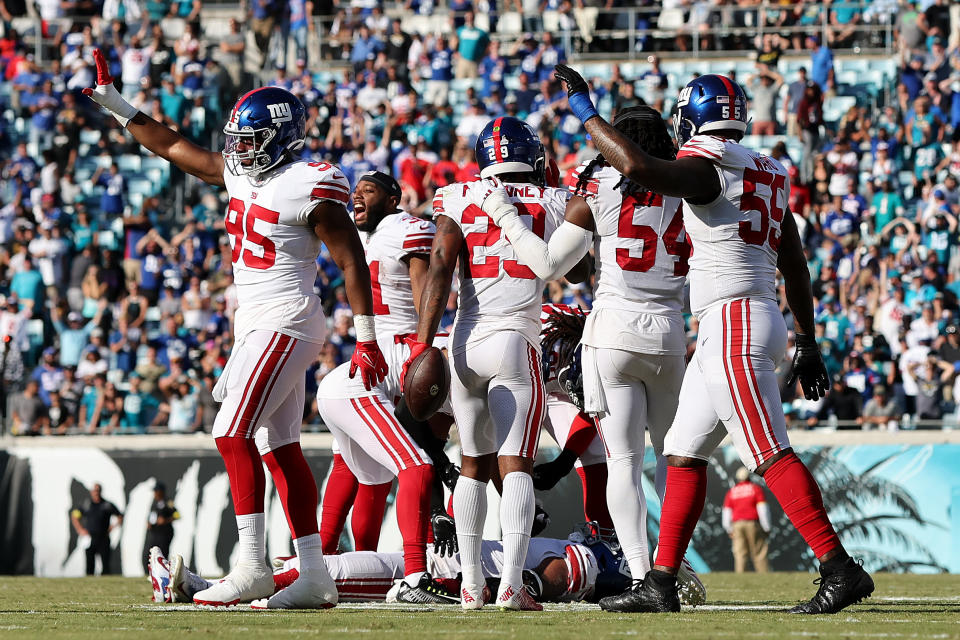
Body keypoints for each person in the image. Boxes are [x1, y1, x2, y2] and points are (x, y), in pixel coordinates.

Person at [555, 65, 873, 614]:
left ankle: (839, 567)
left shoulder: (706, 164)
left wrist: (585, 110)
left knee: (769, 452)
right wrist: (808, 338)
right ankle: (659, 581)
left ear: (691, 116)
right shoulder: (769, 169)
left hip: (733, 323)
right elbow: (794, 260)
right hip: (743, 320)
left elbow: (632, 164)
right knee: (680, 454)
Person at [84, 48, 388, 609]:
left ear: (279, 137)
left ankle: (250, 565)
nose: (238, 149)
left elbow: (349, 261)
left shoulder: (308, 183)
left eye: (249, 140)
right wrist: (115, 104)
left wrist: (367, 338)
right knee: (282, 448)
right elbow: (173, 145)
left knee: (230, 432)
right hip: (258, 324)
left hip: (287, 319)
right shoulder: (240, 174)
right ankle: (315, 573)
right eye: (237, 139)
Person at [483, 106, 711, 606]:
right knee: (674, 460)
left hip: (611, 333)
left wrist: (503, 214)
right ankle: (669, 567)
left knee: (623, 462)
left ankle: (638, 575)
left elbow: (548, 264)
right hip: (669, 333)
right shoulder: (691, 183)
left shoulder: (600, 184)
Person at [404, 116, 571, 611]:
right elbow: (579, 269)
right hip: (516, 338)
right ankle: (513, 585)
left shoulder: (458, 196)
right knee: (515, 463)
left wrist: (421, 343)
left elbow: (439, 266)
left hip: (463, 341)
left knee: (472, 465)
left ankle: (473, 585)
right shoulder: (554, 201)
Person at [314, 171, 456, 604]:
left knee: (362, 473)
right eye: (355, 190)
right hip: (377, 368)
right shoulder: (366, 236)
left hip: (393, 355)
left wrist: (422, 343)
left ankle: (327, 562)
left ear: (394, 198)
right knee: (418, 464)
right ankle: (415, 574)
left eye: (368, 190)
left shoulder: (406, 227)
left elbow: (423, 287)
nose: (357, 196)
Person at [148, 526, 631, 606]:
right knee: (315, 564)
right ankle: (200, 585)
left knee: (330, 574)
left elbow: (561, 572)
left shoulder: (590, 562)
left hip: (435, 575)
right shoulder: (562, 538)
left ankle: (193, 587)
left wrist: (527, 581)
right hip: (432, 559)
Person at [722, 467, 771, 573]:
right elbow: (763, 510)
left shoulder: (732, 492)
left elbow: (726, 513)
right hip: (753, 524)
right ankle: (764, 576)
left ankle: (741, 578)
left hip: (737, 525)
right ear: (749, 477)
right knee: (759, 552)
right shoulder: (755, 489)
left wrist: (729, 529)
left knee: (740, 553)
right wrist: (766, 527)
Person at [70, 483, 124, 575]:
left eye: (98, 490)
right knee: (90, 563)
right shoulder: (86, 504)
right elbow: (75, 516)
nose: (96, 493)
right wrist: (80, 529)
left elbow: (120, 516)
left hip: (103, 537)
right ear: (91, 492)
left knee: (105, 563)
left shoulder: (107, 505)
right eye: (94, 491)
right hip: (90, 537)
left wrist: (112, 527)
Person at [144, 482, 179, 571]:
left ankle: (164, 573)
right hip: (155, 533)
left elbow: (177, 515)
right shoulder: (154, 503)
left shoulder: (168, 502)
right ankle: (151, 574)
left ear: (161, 492)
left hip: (165, 533)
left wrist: (166, 520)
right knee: (150, 555)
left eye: (156, 491)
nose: (155, 493)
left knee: (162, 555)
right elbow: (152, 516)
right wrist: (149, 523)